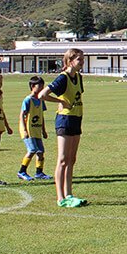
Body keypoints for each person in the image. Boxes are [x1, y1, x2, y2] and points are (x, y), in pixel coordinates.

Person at [38, 48, 87, 208]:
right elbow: (42, 95)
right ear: (70, 61)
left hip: (76, 119)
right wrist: (62, 102)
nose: (82, 62)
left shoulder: (78, 77)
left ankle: (69, 194)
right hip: (64, 120)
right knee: (63, 159)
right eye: (79, 59)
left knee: (72, 159)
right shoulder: (62, 78)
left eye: (82, 58)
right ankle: (60, 197)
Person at [18, 75, 51, 181]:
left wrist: (44, 130)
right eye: (39, 86)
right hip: (28, 130)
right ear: (32, 86)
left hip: (36, 130)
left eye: (43, 86)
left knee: (40, 151)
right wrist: (24, 130)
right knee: (32, 150)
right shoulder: (28, 100)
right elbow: (22, 115)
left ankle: (39, 172)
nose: (42, 88)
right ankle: (22, 171)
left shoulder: (41, 100)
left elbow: (41, 116)